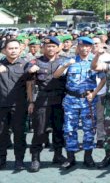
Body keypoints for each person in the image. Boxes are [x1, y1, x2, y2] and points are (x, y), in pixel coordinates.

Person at [53, 36, 105, 169]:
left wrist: (94, 93)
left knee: (89, 129)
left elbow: (103, 79)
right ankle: (71, 157)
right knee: (70, 129)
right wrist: (66, 65)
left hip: (88, 100)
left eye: (87, 46)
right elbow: (56, 75)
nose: (84, 49)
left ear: (91, 48)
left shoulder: (94, 62)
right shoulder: (69, 61)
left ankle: (88, 156)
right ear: (77, 47)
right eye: (82, 46)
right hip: (71, 100)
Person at [27, 36, 67, 172]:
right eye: (47, 46)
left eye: (53, 46)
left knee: (59, 129)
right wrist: (31, 101)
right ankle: (35, 158)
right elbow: (29, 80)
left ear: (58, 48)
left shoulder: (64, 61)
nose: (50, 48)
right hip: (42, 101)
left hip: (59, 101)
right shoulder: (36, 61)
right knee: (39, 130)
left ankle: (58, 155)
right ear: (43, 48)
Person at [0, 39, 35, 170]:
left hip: (19, 105)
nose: (13, 51)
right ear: (4, 50)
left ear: (20, 49)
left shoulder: (26, 65)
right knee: (1, 134)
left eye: (16, 48)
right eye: (10, 48)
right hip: (1, 105)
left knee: (20, 134)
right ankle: (1, 159)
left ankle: (19, 160)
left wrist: (31, 101)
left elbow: (30, 85)